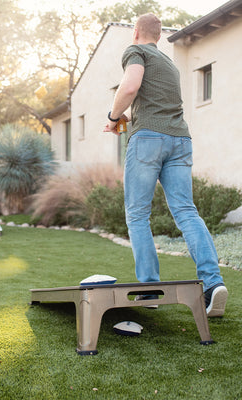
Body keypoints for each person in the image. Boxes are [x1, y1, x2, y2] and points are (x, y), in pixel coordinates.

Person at [103, 13, 228, 317]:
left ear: (136, 32)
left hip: (148, 141)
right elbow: (156, 105)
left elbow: (130, 86)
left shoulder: (136, 52)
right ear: (159, 35)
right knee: (187, 212)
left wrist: (112, 116)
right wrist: (130, 118)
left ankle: (149, 289)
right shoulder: (170, 65)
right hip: (180, 140)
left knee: (137, 214)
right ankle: (213, 284)